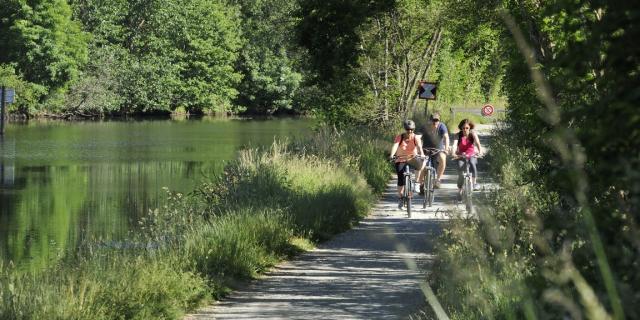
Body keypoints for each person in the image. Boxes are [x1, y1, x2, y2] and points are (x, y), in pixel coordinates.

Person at [389, 119, 426, 209]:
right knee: (400, 179)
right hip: (400, 159)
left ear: (413, 130)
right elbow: (395, 146)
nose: (410, 131)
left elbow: (420, 147)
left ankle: (417, 183)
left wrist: (422, 154)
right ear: (405, 129)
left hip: (412, 158)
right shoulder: (400, 137)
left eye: (412, 130)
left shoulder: (415, 137)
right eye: (408, 129)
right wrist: (392, 155)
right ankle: (401, 198)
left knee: (421, 164)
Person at [451, 119, 483, 201]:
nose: (465, 130)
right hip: (461, 155)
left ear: (470, 128)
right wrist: (453, 153)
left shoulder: (473, 134)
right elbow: (454, 145)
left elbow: (478, 143)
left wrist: (480, 152)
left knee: (472, 163)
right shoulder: (457, 135)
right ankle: (460, 190)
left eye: (467, 128)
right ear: (461, 128)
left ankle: (474, 182)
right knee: (460, 171)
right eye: (463, 128)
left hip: (471, 154)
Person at [419, 112, 450, 189]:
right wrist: (418, 149)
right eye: (433, 120)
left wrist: (446, 149)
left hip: (437, 150)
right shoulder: (424, 127)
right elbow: (418, 138)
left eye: (437, 120)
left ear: (439, 121)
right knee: (422, 165)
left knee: (443, 158)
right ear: (430, 120)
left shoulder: (442, 126)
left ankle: (438, 179)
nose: (435, 122)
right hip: (425, 149)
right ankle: (421, 183)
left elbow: (446, 137)